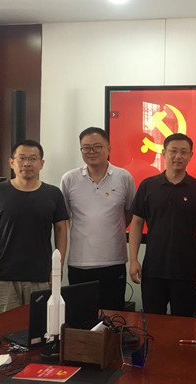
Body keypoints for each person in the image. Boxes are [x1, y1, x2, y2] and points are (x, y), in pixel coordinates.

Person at [0, 139, 69, 317]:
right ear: (11, 162)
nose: (27, 163)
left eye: (33, 158)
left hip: (41, 277)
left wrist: (57, 269)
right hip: (3, 278)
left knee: (41, 327)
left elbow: (61, 231)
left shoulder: (53, 194)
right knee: (3, 328)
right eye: (22, 158)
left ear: (41, 164)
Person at [129, 133, 196, 317]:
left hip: (187, 270)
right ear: (164, 153)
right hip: (153, 269)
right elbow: (136, 224)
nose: (178, 156)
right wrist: (133, 260)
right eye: (173, 151)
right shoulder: (148, 186)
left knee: (184, 324)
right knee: (153, 322)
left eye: (184, 152)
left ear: (191, 155)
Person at [60, 127, 136, 311]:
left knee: (113, 316)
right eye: (86, 148)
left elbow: (129, 213)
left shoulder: (124, 177)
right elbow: (65, 217)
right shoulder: (69, 179)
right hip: (79, 263)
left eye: (97, 147)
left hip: (114, 261)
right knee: (80, 316)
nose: (91, 151)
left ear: (108, 148)